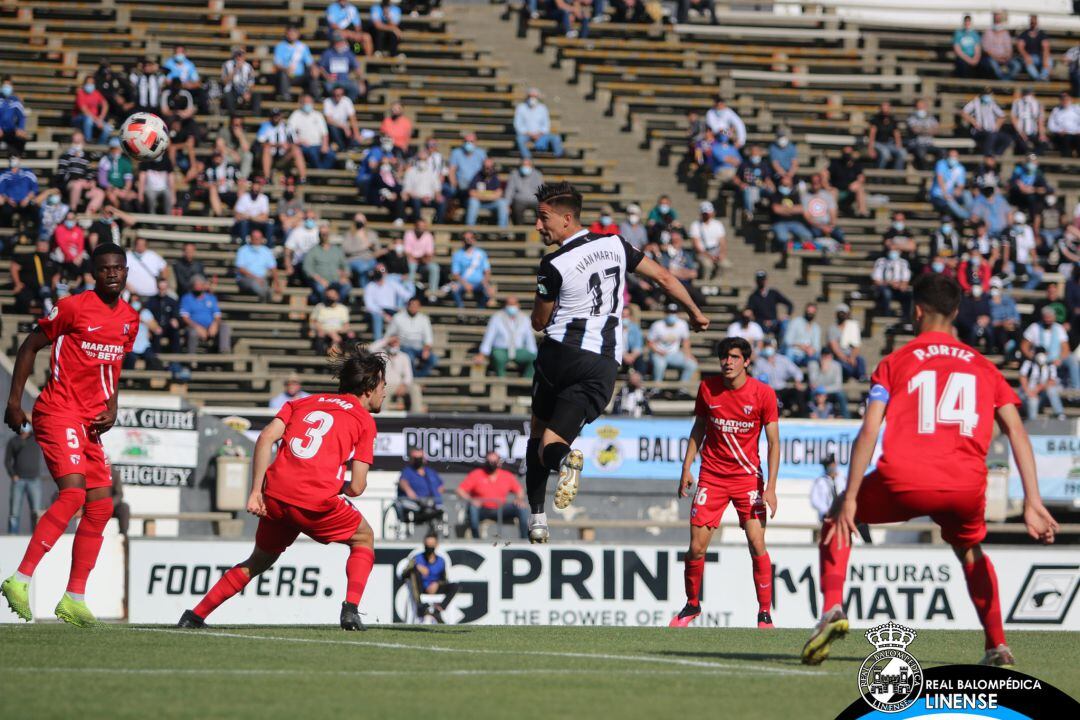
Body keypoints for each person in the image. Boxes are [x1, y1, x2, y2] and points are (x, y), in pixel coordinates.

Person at [801, 273, 1059, 668]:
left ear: (916, 311)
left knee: (837, 516)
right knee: (969, 550)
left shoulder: (895, 362)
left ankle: (832, 608)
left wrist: (850, 497)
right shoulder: (985, 367)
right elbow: (1017, 431)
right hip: (965, 485)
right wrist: (1033, 501)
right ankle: (997, 646)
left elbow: (870, 428)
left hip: (903, 477)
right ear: (955, 313)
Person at [525, 182, 708, 543]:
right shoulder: (616, 244)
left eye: (542, 218)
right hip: (605, 365)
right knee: (555, 438)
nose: (537, 226)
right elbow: (665, 277)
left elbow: (539, 322)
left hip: (562, 354)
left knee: (539, 437)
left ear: (566, 219)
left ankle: (537, 515)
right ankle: (561, 471)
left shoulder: (553, 264)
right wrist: (695, 312)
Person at [177, 343, 385, 631]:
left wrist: (255, 492)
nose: (385, 392)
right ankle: (350, 610)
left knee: (258, 561)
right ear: (370, 386)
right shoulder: (364, 420)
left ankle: (194, 615)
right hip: (315, 501)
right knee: (364, 538)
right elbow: (358, 486)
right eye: (383, 385)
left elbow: (265, 438)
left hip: (275, 496)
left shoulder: (303, 402)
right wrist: (339, 487)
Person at [1, 243, 139, 626]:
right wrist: (15, 402)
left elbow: (115, 367)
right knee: (74, 493)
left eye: (118, 268)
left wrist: (111, 404)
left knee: (101, 505)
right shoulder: (73, 307)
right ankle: (19, 578)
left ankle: (74, 597)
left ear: (126, 272)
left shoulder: (130, 319)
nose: (112, 274)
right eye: (105, 269)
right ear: (95, 273)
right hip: (58, 410)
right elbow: (30, 347)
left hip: (90, 420)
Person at [670, 336, 779, 629]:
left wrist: (770, 487)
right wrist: (686, 468)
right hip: (712, 477)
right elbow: (699, 427)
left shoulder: (763, 394)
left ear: (746, 361)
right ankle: (692, 605)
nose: (727, 362)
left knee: (757, 543)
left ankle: (764, 614)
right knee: (696, 548)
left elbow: (773, 442)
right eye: (724, 357)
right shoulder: (707, 388)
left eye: (733, 357)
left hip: (747, 478)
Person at [456, 452, 530, 539]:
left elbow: (520, 491)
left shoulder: (507, 475)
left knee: (522, 507)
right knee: (473, 508)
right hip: (482, 509)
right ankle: (476, 539)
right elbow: (460, 490)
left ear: (499, 462)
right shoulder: (476, 474)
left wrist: (519, 499)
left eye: (494, 461)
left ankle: (524, 539)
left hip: (501, 509)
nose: (492, 464)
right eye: (489, 461)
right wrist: (471, 500)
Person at [474, 295, 536, 377]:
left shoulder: (524, 318)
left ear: (518, 305)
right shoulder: (497, 317)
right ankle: (501, 381)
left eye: (514, 304)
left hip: (518, 350)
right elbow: (489, 336)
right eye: (509, 304)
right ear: (505, 305)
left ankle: (526, 383)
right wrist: (482, 353)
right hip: (501, 350)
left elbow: (529, 338)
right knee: (498, 358)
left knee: (534, 358)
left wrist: (534, 352)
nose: (512, 306)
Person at [402, 534, 458, 622]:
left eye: (432, 544)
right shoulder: (417, 559)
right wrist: (416, 567)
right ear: (424, 544)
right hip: (421, 589)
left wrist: (437, 584)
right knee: (414, 573)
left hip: (435, 587)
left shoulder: (441, 561)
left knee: (455, 586)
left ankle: (438, 610)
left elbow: (444, 579)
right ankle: (421, 608)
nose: (429, 547)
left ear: (436, 545)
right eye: (427, 544)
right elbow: (403, 575)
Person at [1021, 306, 1079, 389]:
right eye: (1046, 317)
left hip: (1056, 358)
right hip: (1039, 359)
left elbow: (1066, 348)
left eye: (1050, 317)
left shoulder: (1059, 328)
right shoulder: (1034, 327)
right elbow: (1024, 346)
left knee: (1073, 360)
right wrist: (1033, 357)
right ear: (1042, 317)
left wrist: (1060, 359)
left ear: (1054, 317)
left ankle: (1076, 389)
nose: (1048, 320)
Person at [5, 422, 45, 534]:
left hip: (34, 480)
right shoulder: (13, 441)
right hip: (19, 481)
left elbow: (41, 425)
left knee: (36, 512)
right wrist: (13, 475)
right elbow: (7, 461)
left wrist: (29, 418)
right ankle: (12, 537)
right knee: (14, 512)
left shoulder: (36, 439)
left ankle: (36, 536)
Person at [753, 338, 806, 417]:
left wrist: (797, 381)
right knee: (774, 398)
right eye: (767, 346)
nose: (768, 348)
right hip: (769, 390)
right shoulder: (760, 362)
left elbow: (797, 372)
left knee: (798, 392)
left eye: (770, 346)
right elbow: (755, 378)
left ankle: (802, 416)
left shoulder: (783, 359)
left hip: (782, 388)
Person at [386, 297, 437, 377]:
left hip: (419, 347)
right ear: (407, 306)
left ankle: (418, 376)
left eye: (416, 306)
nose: (414, 308)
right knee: (410, 357)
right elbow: (389, 334)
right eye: (412, 305)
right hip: (403, 346)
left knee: (433, 359)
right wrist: (394, 342)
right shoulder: (398, 317)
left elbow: (428, 337)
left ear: (419, 307)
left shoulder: (424, 319)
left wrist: (426, 349)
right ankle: (412, 377)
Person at [180, 275, 231, 354]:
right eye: (196, 285)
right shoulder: (187, 298)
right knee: (192, 332)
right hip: (194, 327)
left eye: (200, 285)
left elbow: (217, 315)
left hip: (210, 327)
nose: (198, 287)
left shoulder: (211, 298)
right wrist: (197, 327)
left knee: (224, 326)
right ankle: (191, 358)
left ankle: (224, 353)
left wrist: (215, 324)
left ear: (204, 286)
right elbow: (185, 317)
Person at [396, 447, 444, 528]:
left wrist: (437, 495)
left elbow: (441, 486)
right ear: (411, 459)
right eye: (416, 458)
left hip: (431, 503)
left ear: (424, 459)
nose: (418, 460)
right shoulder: (407, 471)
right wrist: (409, 491)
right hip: (415, 504)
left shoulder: (430, 472)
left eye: (420, 458)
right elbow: (403, 482)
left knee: (438, 510)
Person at [648, 303, 698, 383]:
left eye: (674, 312)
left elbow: (686, 341)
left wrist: (688, 354)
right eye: (669, 312)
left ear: (677, 313)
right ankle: (656, 388)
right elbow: (650, 342)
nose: (671, 314)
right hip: (658, 353)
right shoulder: (657, 325)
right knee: (660, 365)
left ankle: (682, 389)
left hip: (674, 354)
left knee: (691, 365)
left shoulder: (682, 324)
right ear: (665, 313)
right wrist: (658, 351)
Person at [303, 227, 352, 302]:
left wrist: (344, 277)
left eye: (326, 234)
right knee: (320, 288)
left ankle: (335, 306)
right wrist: (319, 279)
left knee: (347, 286)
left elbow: (346, 266)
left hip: (336, 281)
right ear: (319, 235)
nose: (324, 236)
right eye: (322, 234)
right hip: (321, 281)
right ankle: (328, 307)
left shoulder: (337, 250)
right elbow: (307, 268)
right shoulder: (313, 251)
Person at [363, 264, 411, 340]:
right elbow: (369, 305)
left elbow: (407, 295)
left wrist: (404, 308)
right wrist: (383, 314)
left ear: (386, 272)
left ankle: (402, 343)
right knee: (377, 317)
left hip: (391, 310)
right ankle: (377, 342)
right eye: (377, 270)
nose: (380, 272)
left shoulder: (392, 283)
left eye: (382, 270)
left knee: (403, 316)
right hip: (377, 312)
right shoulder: (370, 286)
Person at [288, 95, 335, 171]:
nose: (307, 104)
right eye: (305, 102)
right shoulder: (296, 115)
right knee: (313, 153)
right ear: (302, 103)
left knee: (331, 154)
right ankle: (321, 174)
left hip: (318, 145)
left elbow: (324, 133)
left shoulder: (318, 115)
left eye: (309, 102)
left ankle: (321, 173)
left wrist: (325, 145)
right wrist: (298, 141)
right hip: (305, 145)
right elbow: (290, 131)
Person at [514, 88, 563, 159]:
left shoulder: (542, 108)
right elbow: (517, 124)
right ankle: (527, 158)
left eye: (534, 96)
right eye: (531, 96)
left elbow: (546, 124)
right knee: (520, 140)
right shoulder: (521, 107)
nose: (532, 98)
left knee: (556, 138)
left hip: (541, 134)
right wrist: (528, 133)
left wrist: (539, 134)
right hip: (526, 134)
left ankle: (558, 156)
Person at [272, 26, 317, 101]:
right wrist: (286, 69)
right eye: (290, 33)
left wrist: (314, 68)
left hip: (300, 76)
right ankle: (286, 98)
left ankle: (315, 97)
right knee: (283, 75)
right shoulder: (280, 46)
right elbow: (277, 64)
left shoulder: (302, 46)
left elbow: (310, 62)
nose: (292, 35)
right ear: (286, 34)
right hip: (287, 76)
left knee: (313, 73)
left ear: (298, 34)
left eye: (294, 33)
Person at [449, 231, 493, 308]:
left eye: (470, 238)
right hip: (463, 282)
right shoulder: (457, 254)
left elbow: (487, 271)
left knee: (489, 291)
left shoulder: (481, 253)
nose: (468, 240)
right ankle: (461, 312)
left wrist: (485, 282)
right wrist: (465, 284)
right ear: (462, 240)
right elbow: (455, 273)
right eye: (466, 238)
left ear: (474, 239)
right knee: (454, 288)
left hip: (479, 283)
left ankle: (480, 312)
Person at [1019, 347, 1065, 420]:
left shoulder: (1050, 365)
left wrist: (1038, 388)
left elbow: (1052, 381)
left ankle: (1059, 414)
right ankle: (1032, 421)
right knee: (1033, 400)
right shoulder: (1028, 364)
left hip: (1042, 394)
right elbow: (1022, 377)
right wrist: (1029, 392)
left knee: (1052, 390)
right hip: (1028, 394)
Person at [0, 156, 40, 240]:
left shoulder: (28, 173)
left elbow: (35, 189)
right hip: (10, 203)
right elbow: (1, 191)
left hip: (25, 202)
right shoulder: (4, 174)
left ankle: (33, 234)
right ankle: (6, 236)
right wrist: (7, 199)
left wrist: (27, 199)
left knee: (34, 210)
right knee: (5, 211)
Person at [962, 90, 1011, 157]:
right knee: (991, 136)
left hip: (991, 130)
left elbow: (1002, 116)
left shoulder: (991, 103)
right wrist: (974, 122)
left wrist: (997, 126)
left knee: (1007, 138)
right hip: (979, 131)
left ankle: (996, 155)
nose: (989, 97)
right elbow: (964, 113)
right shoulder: (975, 103)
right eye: (987, 95)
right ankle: (987, 156)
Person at [319, 34, 366, 102]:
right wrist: (327, 77)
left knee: (355, 88)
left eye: (340, 42)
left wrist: (361, 82)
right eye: (336, 42)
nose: (338, 44)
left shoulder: (349, 53)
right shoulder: (327, 53)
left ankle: (348, 104)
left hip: (345, 81)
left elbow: (357, 68)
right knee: (328, 87)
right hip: (332, 81)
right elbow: (321, 67)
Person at [688, 201, 728, 279]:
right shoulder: (695, 225)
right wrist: (709, 256)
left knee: (725, 265)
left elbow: (722, 242)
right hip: (702, 253)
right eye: (705, 213)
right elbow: (696, 245)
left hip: (715, 252)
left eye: (709, 213)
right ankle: (705, 283)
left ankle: (718, 283)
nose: (707, 215)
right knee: (707, 265)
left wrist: (722, 254)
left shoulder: (718, 224)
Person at [747, 270, 793, 337]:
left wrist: (787, 315)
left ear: (766, 280)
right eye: (759, 280)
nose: (761, 282)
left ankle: (783, 345)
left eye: (762, 279)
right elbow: (749, 311)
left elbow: (789, 304)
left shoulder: (773, 293)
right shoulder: (753, 296)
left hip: (774, 322)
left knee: (785, 323)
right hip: (760, 324)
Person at [310, 287, 354, 355]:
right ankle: (322, 357)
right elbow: (315, 323)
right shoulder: (320, 307)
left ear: (338, 296)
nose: (331, 298)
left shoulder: (343, 308)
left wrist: (335, 333)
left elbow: (346, 325)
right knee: (320, 334)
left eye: (333, 296)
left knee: (351, 334)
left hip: (338, 333)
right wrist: (330, 333)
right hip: (324, 332)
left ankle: (347, 355)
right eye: (329, 296)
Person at [465, 158, 509, 227]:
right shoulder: (477, 176)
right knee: (473, 202)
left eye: (489, 167)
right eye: (486, 167)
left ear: (493, 167)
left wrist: (482, 195)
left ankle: (502, 231)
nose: (487, 169)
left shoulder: (495, 177)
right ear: (482, 166)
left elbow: (499, 194)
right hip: (479, 204)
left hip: (491, 203)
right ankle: (469, 231)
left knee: (503, 203)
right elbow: (471, 193)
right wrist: (490, 195)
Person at [929, 149, 971, 221]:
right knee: (949, 201)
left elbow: (961, 185)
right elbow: (940, 179)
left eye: (954, 156)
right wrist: (945, 193)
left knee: (966, 193)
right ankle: (966, 217)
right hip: (938, 195)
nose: (953, 158)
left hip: (951, 194)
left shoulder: (960, 168)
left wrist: (958, 190)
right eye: (951, 156)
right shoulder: (941, 164)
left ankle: (970, 213)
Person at [828, 303, 866, 381]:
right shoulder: (832, 329)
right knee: (844, 366)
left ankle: (861, 377)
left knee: (861, 360)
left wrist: (852, 357)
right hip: (839, 357)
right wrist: (845, 358)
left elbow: (856, 345)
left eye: (843, 313)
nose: (842, 315)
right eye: (840, 313)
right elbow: (835, 347)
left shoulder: (852, 327)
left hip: (851, 355)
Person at [825, 147, 868, 216]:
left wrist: (857, 183)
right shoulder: (836, 163)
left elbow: (861, 177)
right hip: (837, 191)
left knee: (859, 188)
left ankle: (862, 212)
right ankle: (833, 214)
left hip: (849, 192)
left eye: (849, 153)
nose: (847, 155)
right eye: (845, 153)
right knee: (833, 192)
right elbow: (825, 173)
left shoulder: (856, 164)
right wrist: (827, 186)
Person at [872, 249, 913, 318]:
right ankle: (886, 316)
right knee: (886, 293)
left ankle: (907, 318)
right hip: (885, 287)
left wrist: (900, 285)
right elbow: (876, 280)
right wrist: (890, 283)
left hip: (898, 289)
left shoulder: (903, 263)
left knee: (908, 295)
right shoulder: (881, 261)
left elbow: (905, 281)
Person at [72, 75, 112, 145]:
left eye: (91, 83)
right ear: (84, 84)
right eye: (88, 83)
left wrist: (101, 118)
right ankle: (88, 140)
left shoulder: (96, 93)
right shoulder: (80, 93)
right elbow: (84, 110)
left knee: (107, 128)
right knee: (88, 119)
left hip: (95, 119)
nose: (90, 85)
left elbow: (105, 104)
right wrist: (97, 120)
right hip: (79, 118)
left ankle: (100, 147)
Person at [809, 349, 849, 419]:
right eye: (824, 357)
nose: (826, 360)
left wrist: (824, 390)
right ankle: (811, 414)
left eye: (828, 357)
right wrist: (822, 371)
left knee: (841, 395)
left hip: (830, 392)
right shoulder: (813, 364)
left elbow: (838, 385)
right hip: (817, 392)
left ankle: (846, 418)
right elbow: (813, 383)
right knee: (812, 393)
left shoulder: (837, 366)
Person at [867, 101, 907, 170]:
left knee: (902, 152)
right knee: (885, 154)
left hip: (889, 143)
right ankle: (879, 175)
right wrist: (871, 148)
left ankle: (897, 176)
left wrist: (899, 145)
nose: (885, 109)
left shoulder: (892, 119)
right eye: (883, 107)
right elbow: (872, 134)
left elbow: (896, 134)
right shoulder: (876, 119)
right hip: (878, 143)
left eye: (886, 107)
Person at [220, 48, 259, 115]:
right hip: (231, 90)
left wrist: (248, 92)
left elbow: (251, 83)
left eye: (241, 55)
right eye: (237, 55)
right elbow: (224, 82)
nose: (239, 57)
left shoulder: (248, 67)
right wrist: (235, 70)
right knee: (228, 95)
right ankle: (233, 116)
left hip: (244, 90)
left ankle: (255, 117)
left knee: (256, 96)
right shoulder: (227, 65)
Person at [982, 11, 1019, 80]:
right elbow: (986, 49)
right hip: (993, 58)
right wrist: (997, 58)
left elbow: (1009, 49)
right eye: (996, 19)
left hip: (1005, 58)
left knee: (1016, 65)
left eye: (999, 19)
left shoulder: (1005, 33)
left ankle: (1004, 82)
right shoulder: (988, 32)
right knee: (993, 64)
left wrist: (1006, 57)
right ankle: (1005, 83)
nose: (997, 21)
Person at [906, 98, 940, 169]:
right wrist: (928, 130)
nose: (920, 108)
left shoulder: (931, 118)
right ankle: (924, 172)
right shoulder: (911, 118)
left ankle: (933, 169)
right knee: (921, 153)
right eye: (918, 106)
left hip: (928, 144)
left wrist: (921, 130)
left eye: (922, 106)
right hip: (916, 145)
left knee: (943, 152)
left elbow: (936, 130)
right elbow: (915, 130)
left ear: (926, 107)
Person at [1017, 14, 1052, 82]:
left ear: (1037, 22)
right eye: (1031, 21)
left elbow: (1046, 48)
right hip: (1029, 56)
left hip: (1039, 57)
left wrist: (1045, 60)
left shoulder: (1042, 34)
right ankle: (1038, 79)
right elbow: (1020, 47)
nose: (1033, 23)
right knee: (1027, 62)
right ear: (1029, 22)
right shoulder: (1024, 34)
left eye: (1034, 21)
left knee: (1049, 60)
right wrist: (1026, 56)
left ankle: (1042, 77)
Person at [809, 455, 842, 523]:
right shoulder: (820, 482)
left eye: (833, 466)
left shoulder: (841, 479)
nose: (832, 468)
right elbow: (814, 500)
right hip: (827, 516)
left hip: (841, 515)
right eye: (830, 467)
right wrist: (826, 510)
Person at [0, 77, 28, 155]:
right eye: (5, 85)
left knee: (21, 138)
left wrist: (21, 128)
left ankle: (15, 161)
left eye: (8, 85)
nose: (6, 87)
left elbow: (22, 117)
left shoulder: (15, 100)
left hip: (10, 131)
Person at [1048, 93, 1080, 158]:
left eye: (1067, 99)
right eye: (1063, 100)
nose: (1065, 101)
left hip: (1076, 134)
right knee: (1066, 139)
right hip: (1062, 135)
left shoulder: (1077, 109)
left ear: (1070, 99)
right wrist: (1059, 130)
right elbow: (1051, 125)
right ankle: (1066, 161)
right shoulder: (1056, 110)